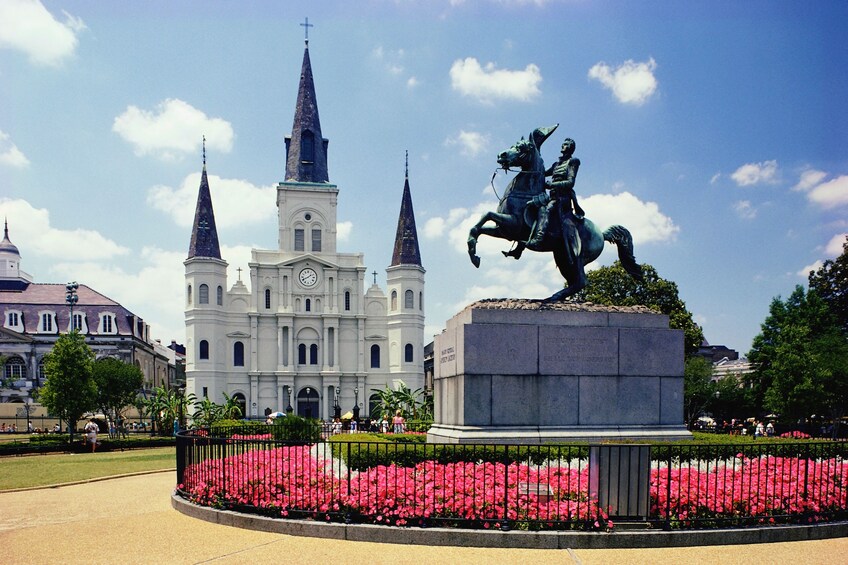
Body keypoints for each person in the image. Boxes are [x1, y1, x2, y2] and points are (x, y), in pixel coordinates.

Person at [525, 137, 584, 259]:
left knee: (545, 210)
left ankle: (538, 239)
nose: (563, 145)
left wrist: (552, 184)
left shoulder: (573, 161)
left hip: (563, 198)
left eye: (566, 144)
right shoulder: (556, 164)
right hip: (552, 197)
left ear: (571, 148)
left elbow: (570, 182)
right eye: (562, 143)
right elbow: (541, 173)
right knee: (532, 206)